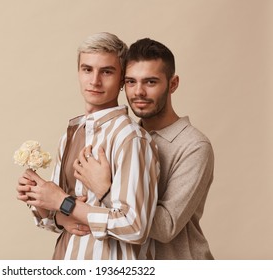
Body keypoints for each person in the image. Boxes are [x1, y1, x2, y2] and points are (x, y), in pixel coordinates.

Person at [16, 32, 159, 260]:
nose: (95, 81)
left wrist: (62, 201)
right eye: (87, 69)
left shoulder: (130, 138)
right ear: (78, 72)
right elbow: (60, 219)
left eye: (107, 71)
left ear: (122, 79)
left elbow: (135, 226)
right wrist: (40, 196)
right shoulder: (72, 133)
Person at [74, 38, 215, 259]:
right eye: (131, 81)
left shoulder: (194, 146)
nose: (138, 92)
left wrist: (106, 190)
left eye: (150, 82)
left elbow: (167, 226)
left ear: (173, 84)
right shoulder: (125, 138)